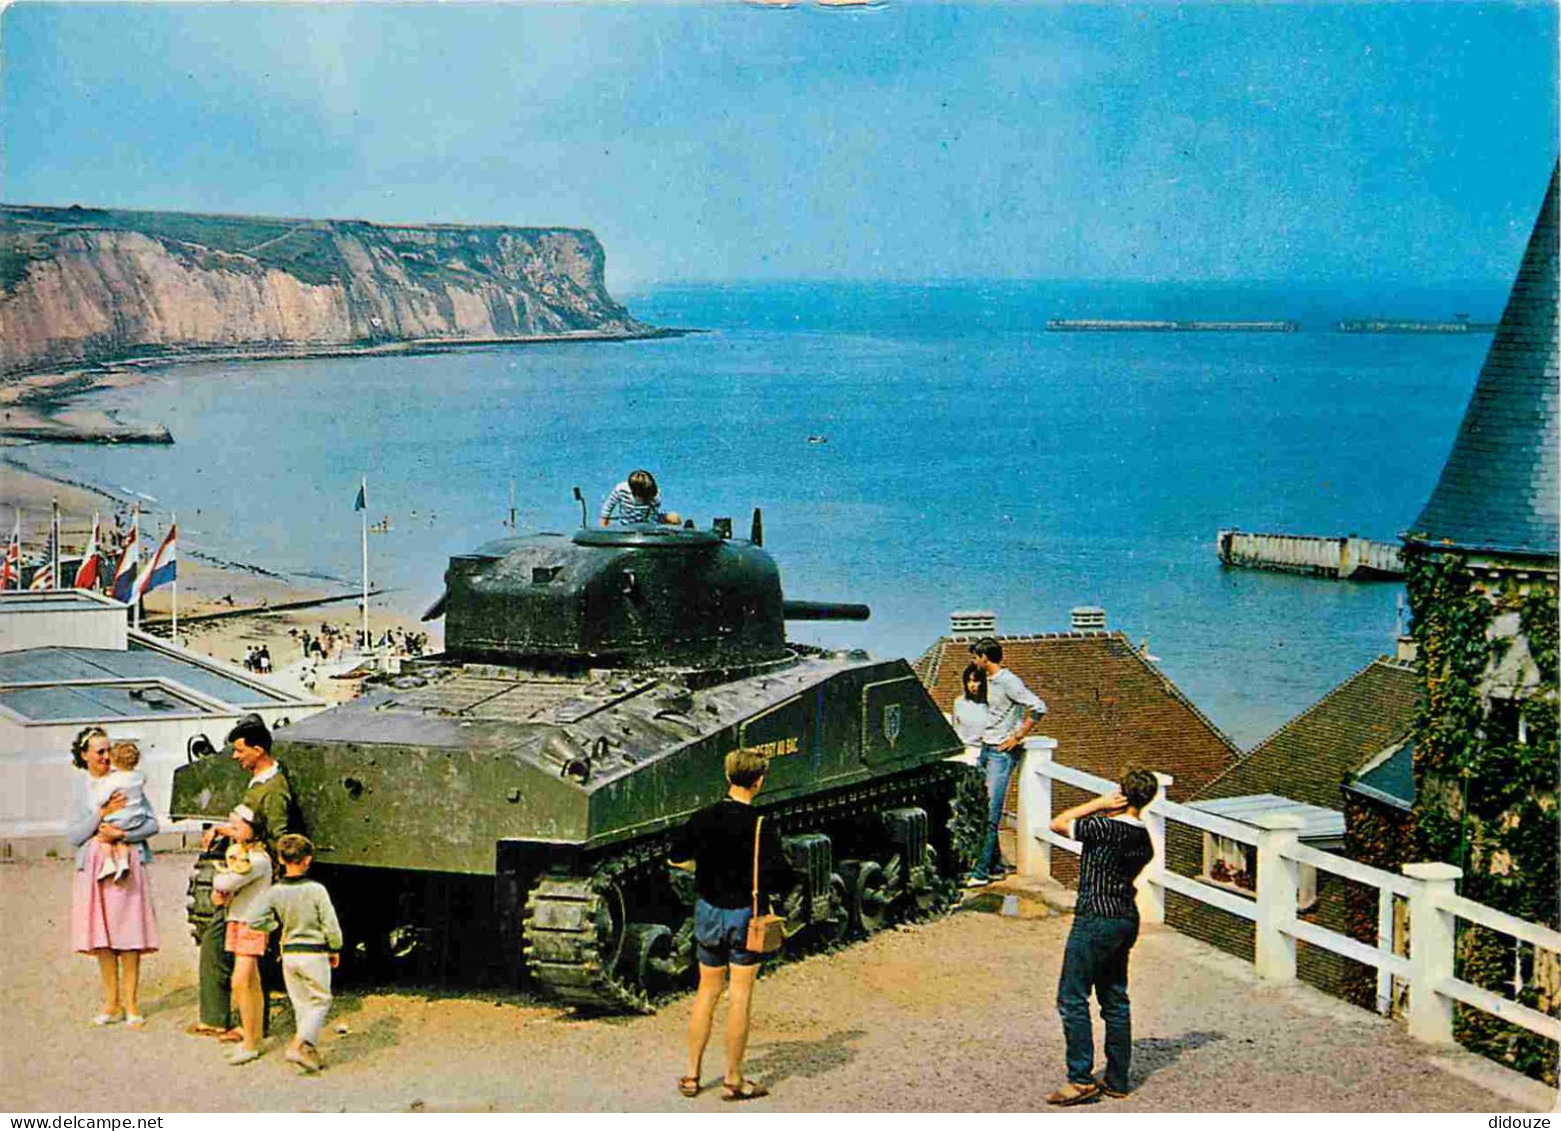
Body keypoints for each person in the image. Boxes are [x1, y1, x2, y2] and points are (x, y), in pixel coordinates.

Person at [669, 748, 792, 1102]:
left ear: (727, 777)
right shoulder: (760, 825)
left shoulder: (703, 817)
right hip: (744, 914)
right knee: (739, 996)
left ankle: (692, 1075)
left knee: (706, 992)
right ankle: (733, 1079)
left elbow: (676, 856)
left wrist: (703, 872)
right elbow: (779, 876)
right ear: (759, 781)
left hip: (708, 910)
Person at [1044, 767, 1160, 1105]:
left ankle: (1080, 1079)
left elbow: (1058, 822)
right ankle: (1117, 1080)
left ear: (1121, 795)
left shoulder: (1102, 827)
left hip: (1095, 916)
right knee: (1114, 998)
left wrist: (1097, 803)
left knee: (1072, 997)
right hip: (1125, 917)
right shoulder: (1144, 840)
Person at [190, 714, 300, 1039]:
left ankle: (233, 1022)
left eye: (240, 751)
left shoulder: (274, 790)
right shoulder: (263, 782)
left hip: (253, 878)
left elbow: (279, 836)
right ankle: (232, 1020)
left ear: (258, 750)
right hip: (249, 874)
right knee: (241, 954)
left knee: (227, 949)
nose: (235, 757)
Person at [66, 726, 160, 1029]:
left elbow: (152, 825)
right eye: (99, 752)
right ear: (85, 755)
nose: (106, 757)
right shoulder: (82, 789)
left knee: (129, 936)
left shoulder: (128, 782)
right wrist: (101, 814)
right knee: (103, 938)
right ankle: (112, 1002)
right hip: (94, 868)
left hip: (128, 862)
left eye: (108, 750)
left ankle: (132, 1004)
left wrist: (124, 833)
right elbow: (73, 835)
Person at [248, 834, 342, 1074]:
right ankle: (300, 1045)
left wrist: (274, 926)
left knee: (301, 1004)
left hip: (289, 954)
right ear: (307, 860)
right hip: (314, 953)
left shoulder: (275, 891)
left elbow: (254, 919)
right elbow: (330, 924)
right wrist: (335, 947)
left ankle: (309, 1051)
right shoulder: (316, 890)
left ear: (280, 859)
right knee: (321, 999)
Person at [964, 637, 1046, 887]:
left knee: (990, 813)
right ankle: (995, 865)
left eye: (975, 657)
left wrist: (1018, 736)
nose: (973, 661)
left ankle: (981, 872)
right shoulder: (988, 681)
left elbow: (1039, 707)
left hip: (1001, 753)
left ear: (985, 658)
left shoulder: (1009, 682)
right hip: (986, 749)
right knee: (979, 806)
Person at [211, 805, 272, 1066]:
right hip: (242, 920)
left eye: (237, 827)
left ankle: (250, 1043)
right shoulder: (250, 857)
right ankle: (254, 1036)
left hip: (250, 923)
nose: (232, 832)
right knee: (253, 982)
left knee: (241, 980)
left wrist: (220, 880)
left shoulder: (256, 860)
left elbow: (226, 882)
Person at [93, 741, 152, 882]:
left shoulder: (113, 780)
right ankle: (123, 862)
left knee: (104, 837)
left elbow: (102, 799)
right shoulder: (139, 776)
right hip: (137, 817)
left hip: (119, 817)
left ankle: (109, 863)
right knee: (121, 840)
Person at [599, 468, 682, 527]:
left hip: (650, 522)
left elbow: (654, 514)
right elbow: (606, 510)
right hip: (627, 523)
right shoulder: (621, 489)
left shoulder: (655, 494)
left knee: (674, 517)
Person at [950, 662, 991, 746]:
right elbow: (956, 728)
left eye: (975, 681)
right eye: (968, 681)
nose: (972, 685)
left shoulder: (993, 703)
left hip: (985, 750)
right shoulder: (959, 703)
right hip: (965, 749)